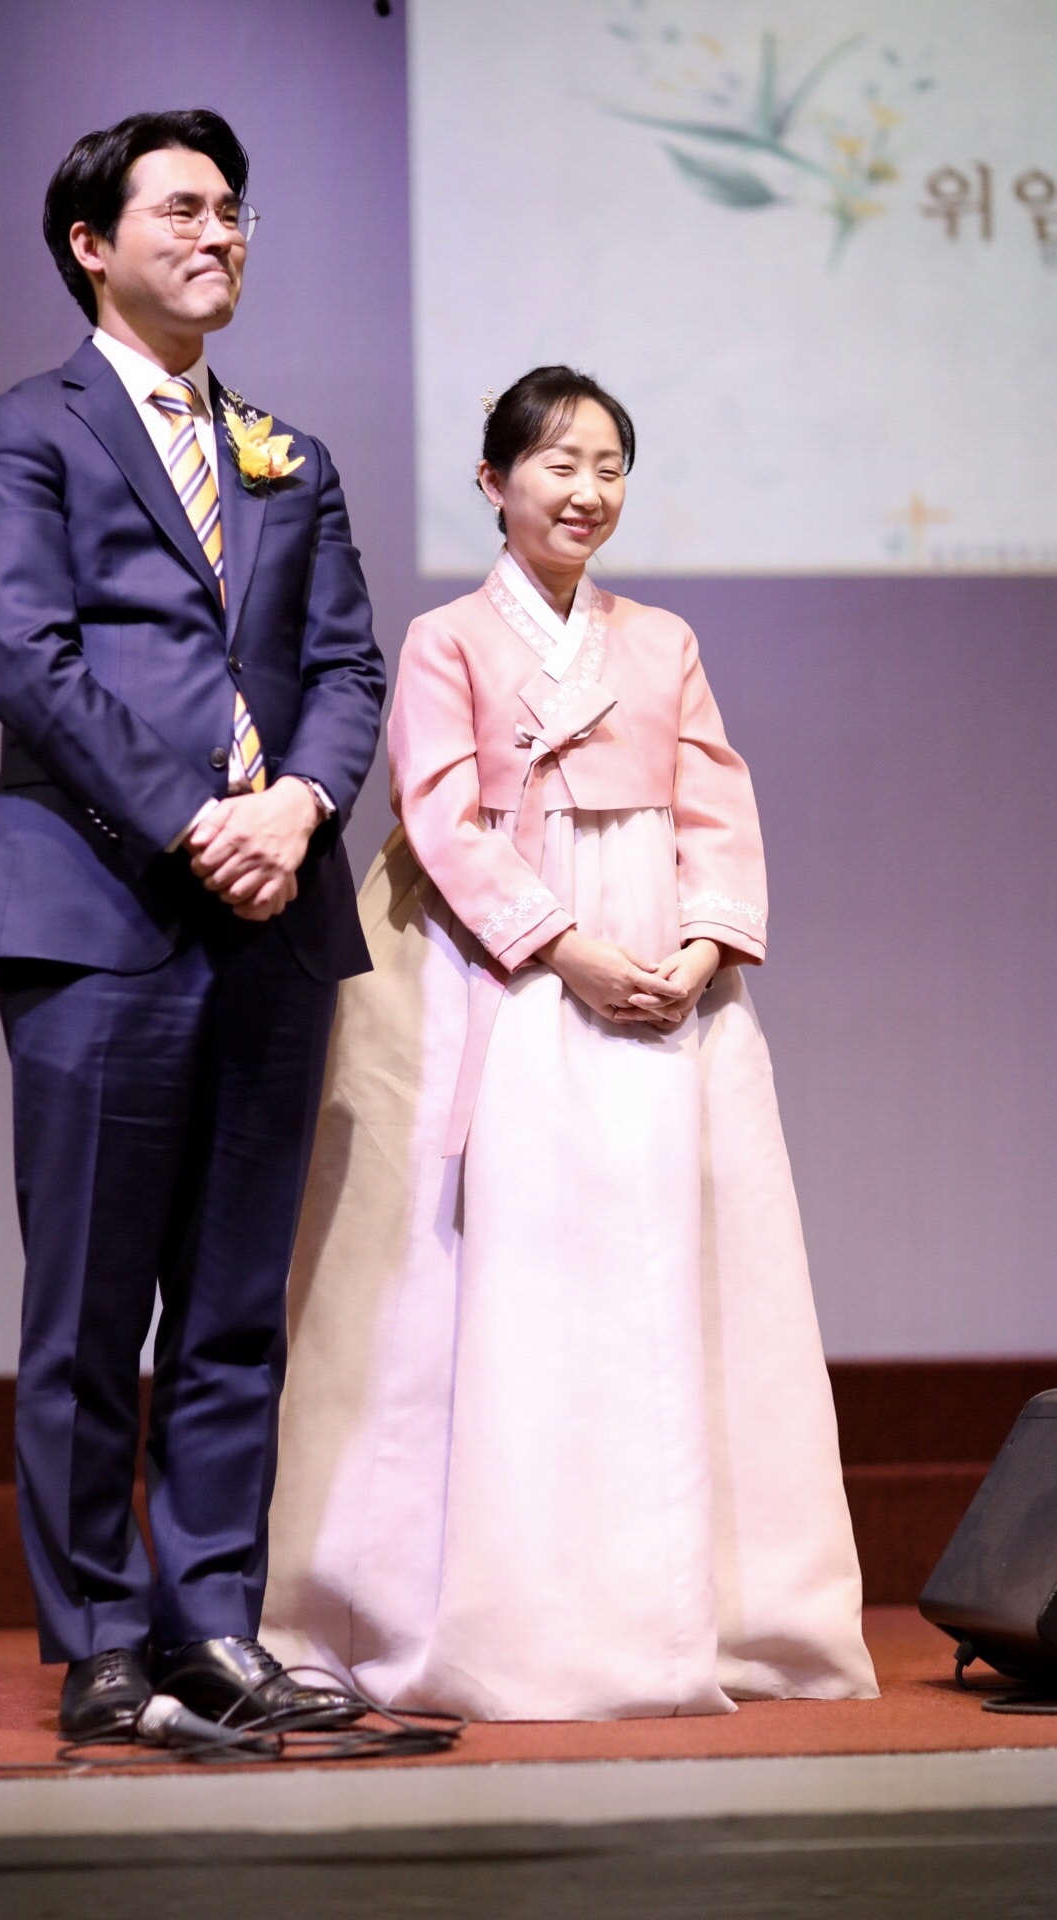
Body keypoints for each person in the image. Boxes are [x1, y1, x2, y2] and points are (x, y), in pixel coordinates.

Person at [260, 366, 877, 1719]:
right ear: (493, 484)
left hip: (660, 973)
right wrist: (566, 949)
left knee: (664, 1275)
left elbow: (713, 804)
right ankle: (498, 1615)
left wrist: (701, 949)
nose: (586, 490)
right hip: (503, 972)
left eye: (608, 466)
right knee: (494, 1278)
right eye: (557, 463)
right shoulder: (446, 640)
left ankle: (689, 1612)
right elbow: (437, 814)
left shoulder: (661, 640)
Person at [0, 109, 385, 1738]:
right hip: (102, 911)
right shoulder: (22, 431)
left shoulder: (289, 453)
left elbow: (346, 667)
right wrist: (202, 816)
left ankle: (214, 1622)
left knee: (231, 1308)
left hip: (274, 917)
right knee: (86, 1304)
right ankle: (101, 1641)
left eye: (234, 211)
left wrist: (300, 806)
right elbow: (28, 659)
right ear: (93, 244)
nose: (221, 235)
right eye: (184, 210)